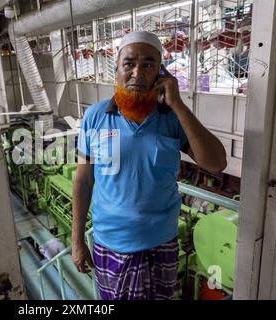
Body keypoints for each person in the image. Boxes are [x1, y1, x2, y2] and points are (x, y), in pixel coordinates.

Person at [71, 31, 227, 300]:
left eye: (148, 64)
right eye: (129, 63)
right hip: (110, 245)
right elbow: (83, 181)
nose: (137, 73)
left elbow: (216, 163)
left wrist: (177, 104)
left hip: (161, 245)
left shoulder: (172, 119)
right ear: (116, 70)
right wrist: (76, 242)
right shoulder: (95, 118)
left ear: (161, 72)